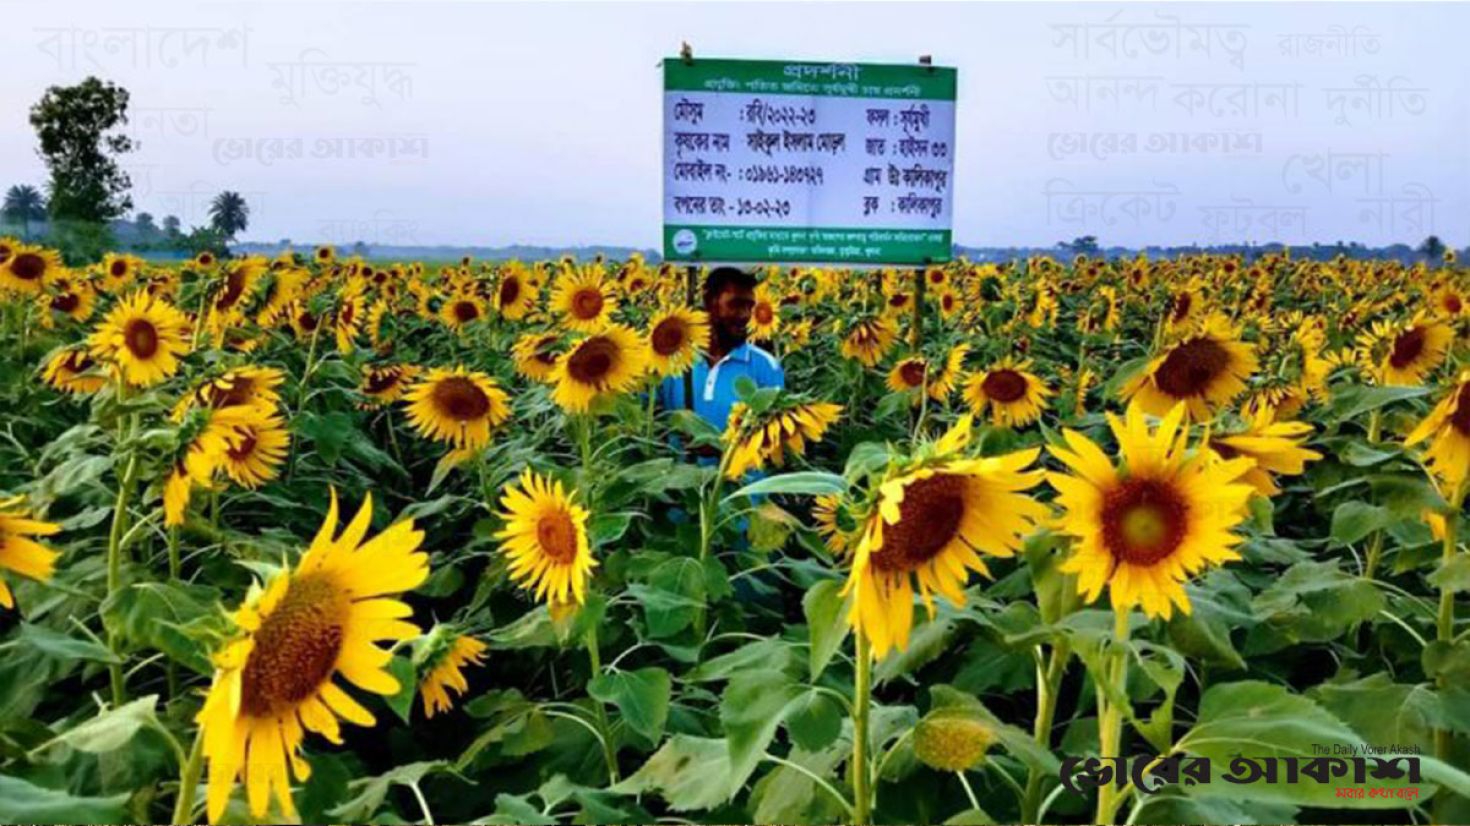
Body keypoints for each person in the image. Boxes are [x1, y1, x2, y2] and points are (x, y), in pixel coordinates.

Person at [657, 266, 784, 455]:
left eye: (749, 307)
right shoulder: (674, 359)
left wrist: (719, 447)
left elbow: (775, 437)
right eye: (735, 305)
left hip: (743, 483)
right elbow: (653, 422)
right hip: (680, 482)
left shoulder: (766, 366)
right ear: (710, 302)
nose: (744, 315)